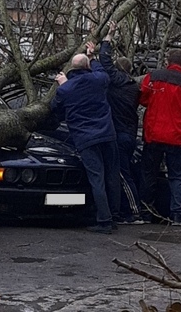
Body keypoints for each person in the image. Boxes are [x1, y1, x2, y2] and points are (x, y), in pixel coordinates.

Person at [50, 45, 121, 234]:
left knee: (96, 178)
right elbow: (101, 70)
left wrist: (63, 85)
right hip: (107, 133)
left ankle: (104, 220)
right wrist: (93, 56)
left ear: (72, 69)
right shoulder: (99, 80)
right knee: (112, 175)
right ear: (87, 66)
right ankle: (114, 215)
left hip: (85, 137)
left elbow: (54, 108)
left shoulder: (66, 89)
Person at [138, 48, 181, 226]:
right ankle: (177, 215)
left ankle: (146, 212)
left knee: (148, 173)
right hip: (177, 136)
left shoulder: (154, 77)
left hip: (154, 133)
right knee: (178, 176)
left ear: (167, 60)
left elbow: (143, 98)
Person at [98, 21, 143, 225]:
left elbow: (105, 62)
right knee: (122, 174)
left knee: (123, 175)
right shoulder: (133, 86)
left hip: (120, 134)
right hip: (129, 133)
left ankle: (134, 213)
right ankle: (123, 211)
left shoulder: (117, 82)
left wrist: (109, 37)